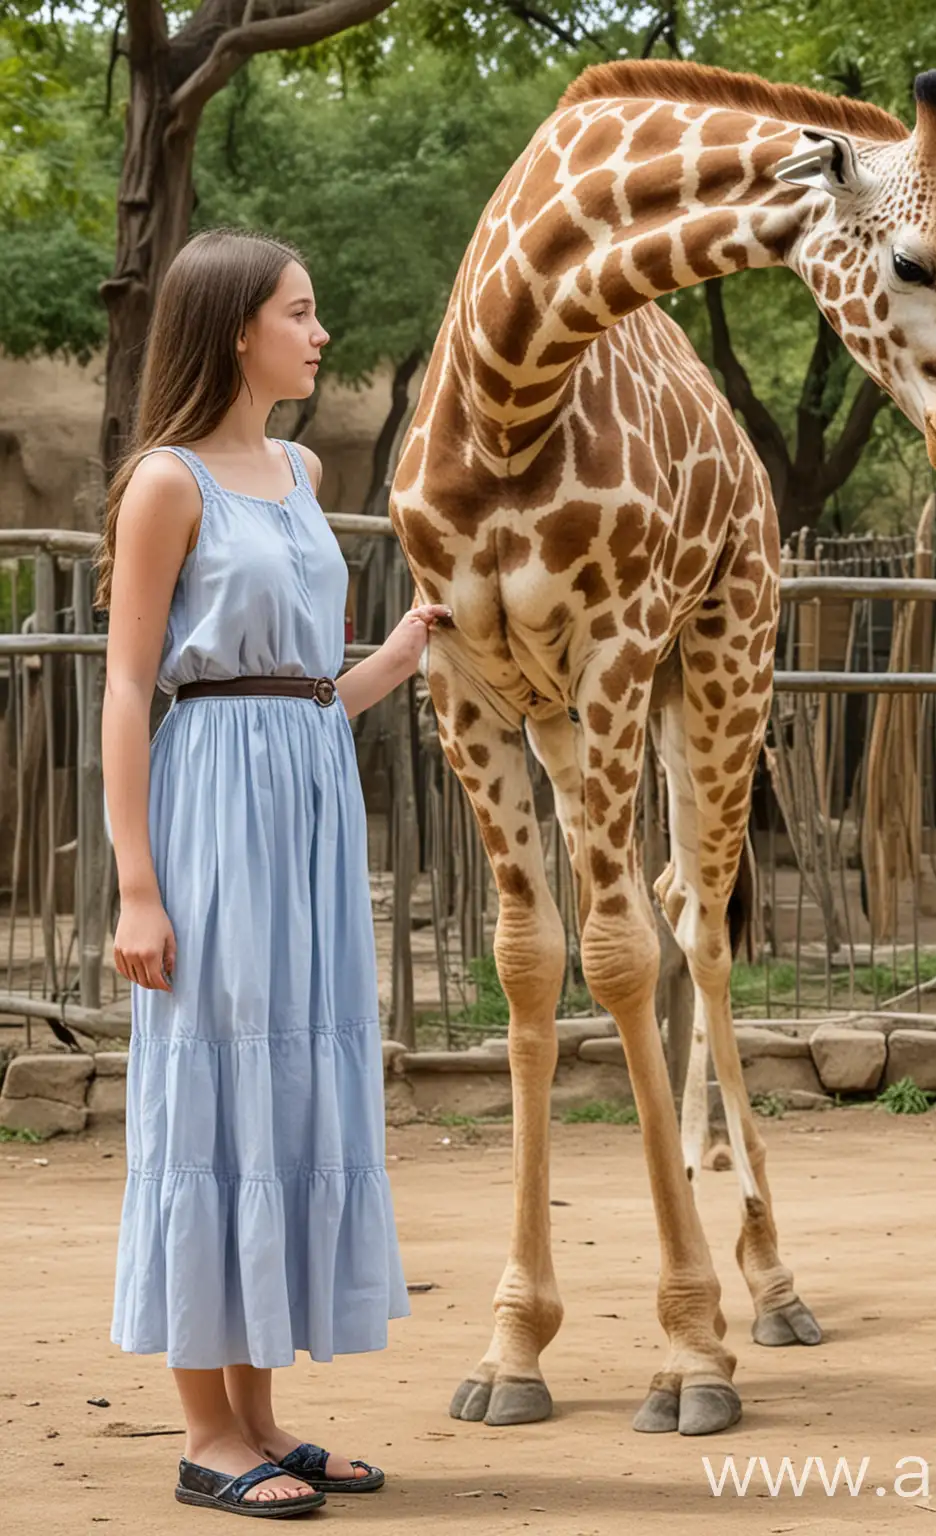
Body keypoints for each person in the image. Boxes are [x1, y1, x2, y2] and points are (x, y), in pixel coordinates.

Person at [100, 228, 450, 1517]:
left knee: (288, 1091)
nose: (319, 335)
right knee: (213, 1096)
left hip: (306, 807)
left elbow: (306, 694)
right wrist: (140, 884)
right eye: (300, 313)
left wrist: (406, 648)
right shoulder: (165, 483)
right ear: (236, 327)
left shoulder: (301, 470)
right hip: (206, 816)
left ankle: (258, 1418)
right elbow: (133, 687)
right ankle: (205, 1435)